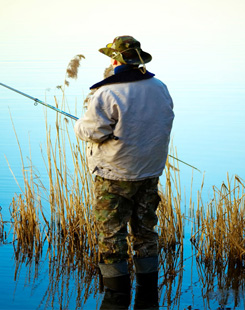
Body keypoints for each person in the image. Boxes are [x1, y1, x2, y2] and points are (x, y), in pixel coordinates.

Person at [74, 36, 175, 309]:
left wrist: (78, 125)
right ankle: (148, 290)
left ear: (116, 60)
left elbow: (95, 131)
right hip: (149, 171)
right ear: (138, 59)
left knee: (112, 233)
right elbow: (166, 119)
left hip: (113, 174)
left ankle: (115, 295)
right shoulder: (160, 87)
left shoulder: (107, 93)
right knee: (145, 230)